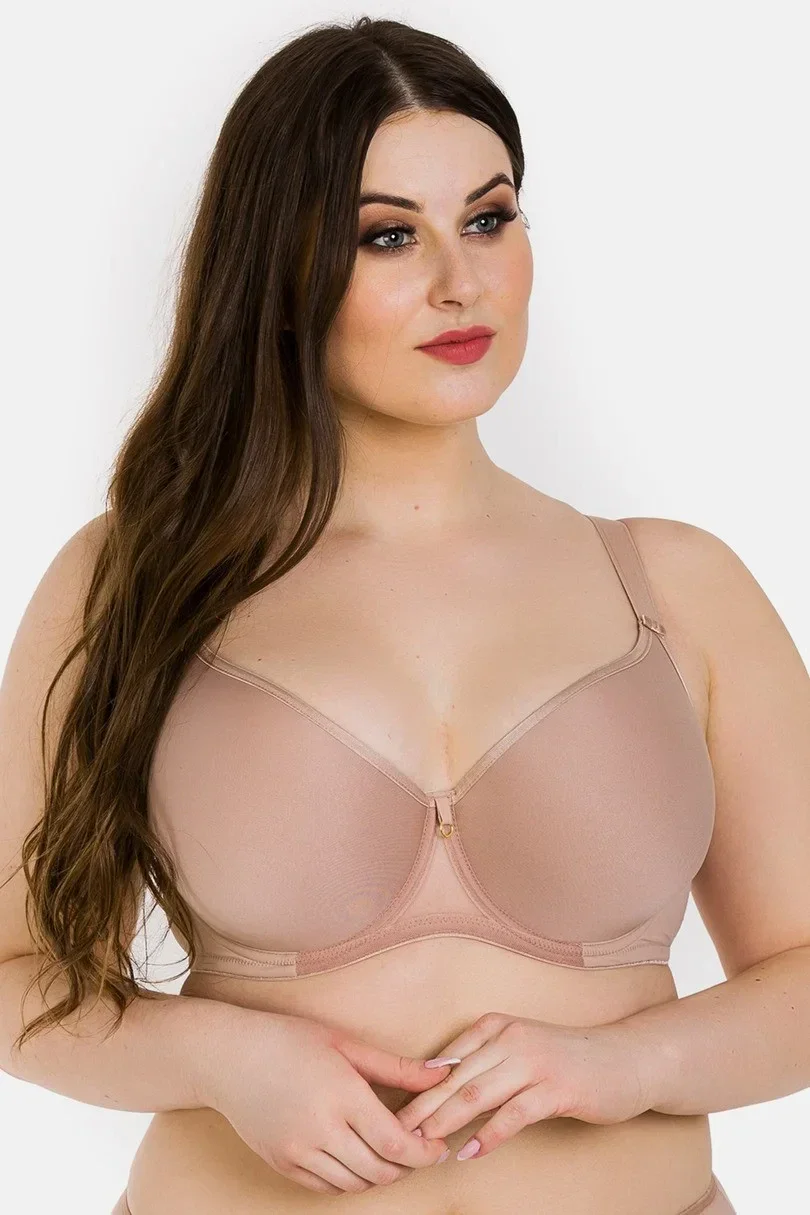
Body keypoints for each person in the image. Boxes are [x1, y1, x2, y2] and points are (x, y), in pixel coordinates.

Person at [2, 15, 808, 1214]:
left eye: (489, 218)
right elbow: (15, 977)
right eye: (388, 236)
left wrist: (628, 1065)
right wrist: (224, 1058)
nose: (459, 281)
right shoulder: (133, 582)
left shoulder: (679, 589)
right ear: (278, 270)